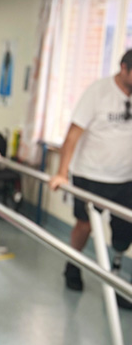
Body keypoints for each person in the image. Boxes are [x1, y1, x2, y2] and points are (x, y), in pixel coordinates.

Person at [48, 49, 132, 309]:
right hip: (90, 175)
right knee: (85, 226)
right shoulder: (98, 92)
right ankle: (73, 265)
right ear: (123, 68)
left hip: (125, 177)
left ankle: (116, 276)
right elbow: (72, 135)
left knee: (124, 231)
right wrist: (62, 173)